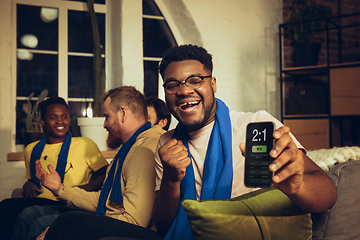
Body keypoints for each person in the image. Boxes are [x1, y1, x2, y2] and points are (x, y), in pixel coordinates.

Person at [151, 44, 338, 239]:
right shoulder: (166, 142)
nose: (183, 90)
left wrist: (298, 185)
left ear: (213, 84)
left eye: (195, 81)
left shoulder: (255, 124)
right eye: (172, 84)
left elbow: (329, 193)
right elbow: (164, 227)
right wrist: (171, 180)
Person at [28, 86, 165, 240]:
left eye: (107, 116)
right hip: (115, 221)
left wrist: (69, 228)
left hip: (139, 232)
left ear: (123, 113)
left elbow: (133, 222)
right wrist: (60, 189)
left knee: (61, 223)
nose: (104, 125)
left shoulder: (142, 150)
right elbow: (105, 201)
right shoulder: (128, 149)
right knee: (22, 212)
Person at [0, 96, 108, 240]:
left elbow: (106, 175)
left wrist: (81, 189)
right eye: (53, 117)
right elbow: (34, 179)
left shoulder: (84, 144)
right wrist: (28, 184)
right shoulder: (31, 149)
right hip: (43, 200)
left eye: (64, 117)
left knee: (32, 217)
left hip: (70, 200)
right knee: (5, 206)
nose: (60, 121)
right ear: (42, 122)